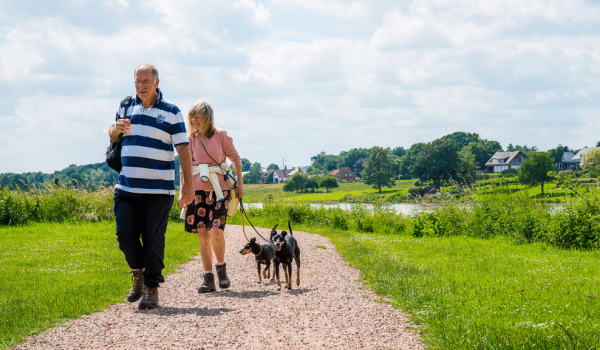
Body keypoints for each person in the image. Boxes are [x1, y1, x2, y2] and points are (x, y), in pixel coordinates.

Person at [108, 63, 194, 309]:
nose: (140, 86)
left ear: (157, 82)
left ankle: (151, 287)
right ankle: (138, 273)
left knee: (153, 239)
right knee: (124, 234)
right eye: (137, 81)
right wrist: (115, 131)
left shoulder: (171, 112)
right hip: (126, 187)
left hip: (159, 190)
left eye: (146, 81)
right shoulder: (125, 106)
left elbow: (183, 150)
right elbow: (113, 134)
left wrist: (187, 184)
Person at [180, 101, 243, 293]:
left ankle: (221, 269)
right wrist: (183, 189)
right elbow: (185, 166)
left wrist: (240, 185)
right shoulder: (189, 139)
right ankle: (208, 277)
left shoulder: (221, 136)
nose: (194, 120)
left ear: (207, 117)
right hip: (197, 190)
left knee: (217, 231)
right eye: (192, 116)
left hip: (220, 191)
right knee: (203, 234)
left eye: (198, 116)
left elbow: (236, 160)